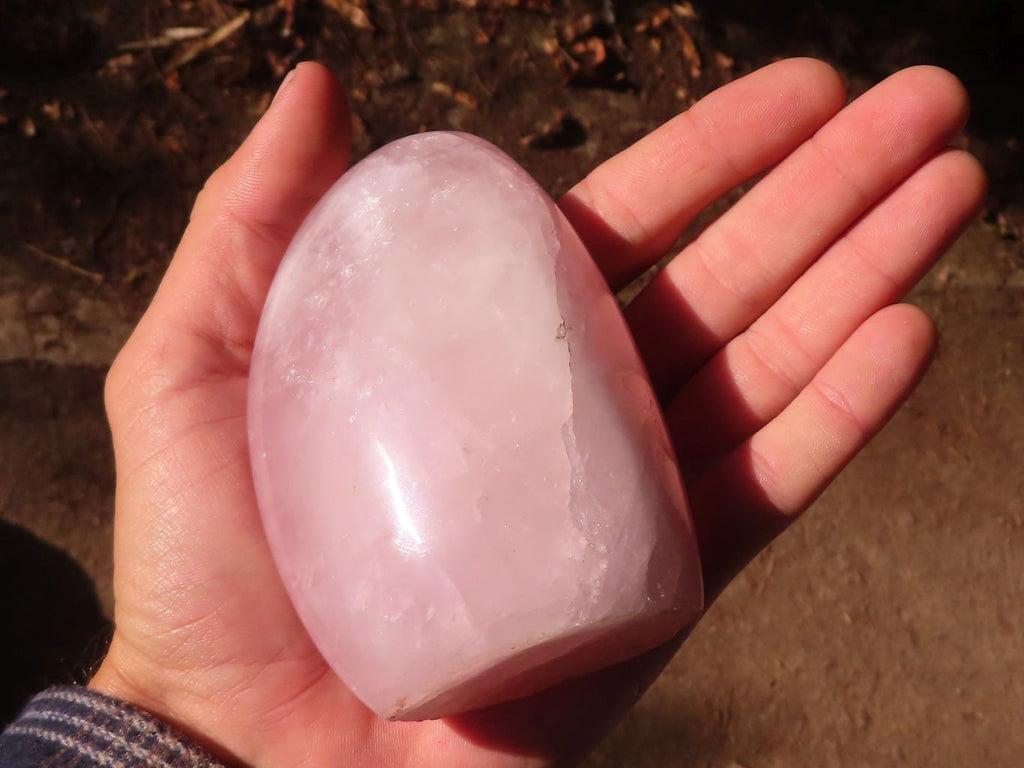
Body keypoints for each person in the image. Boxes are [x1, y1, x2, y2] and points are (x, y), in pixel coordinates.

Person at [0, 58, 984, 767]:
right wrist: (183, 718)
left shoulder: (412, 226)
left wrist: (173, 727)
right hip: (407, 643)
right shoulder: (381, 245)